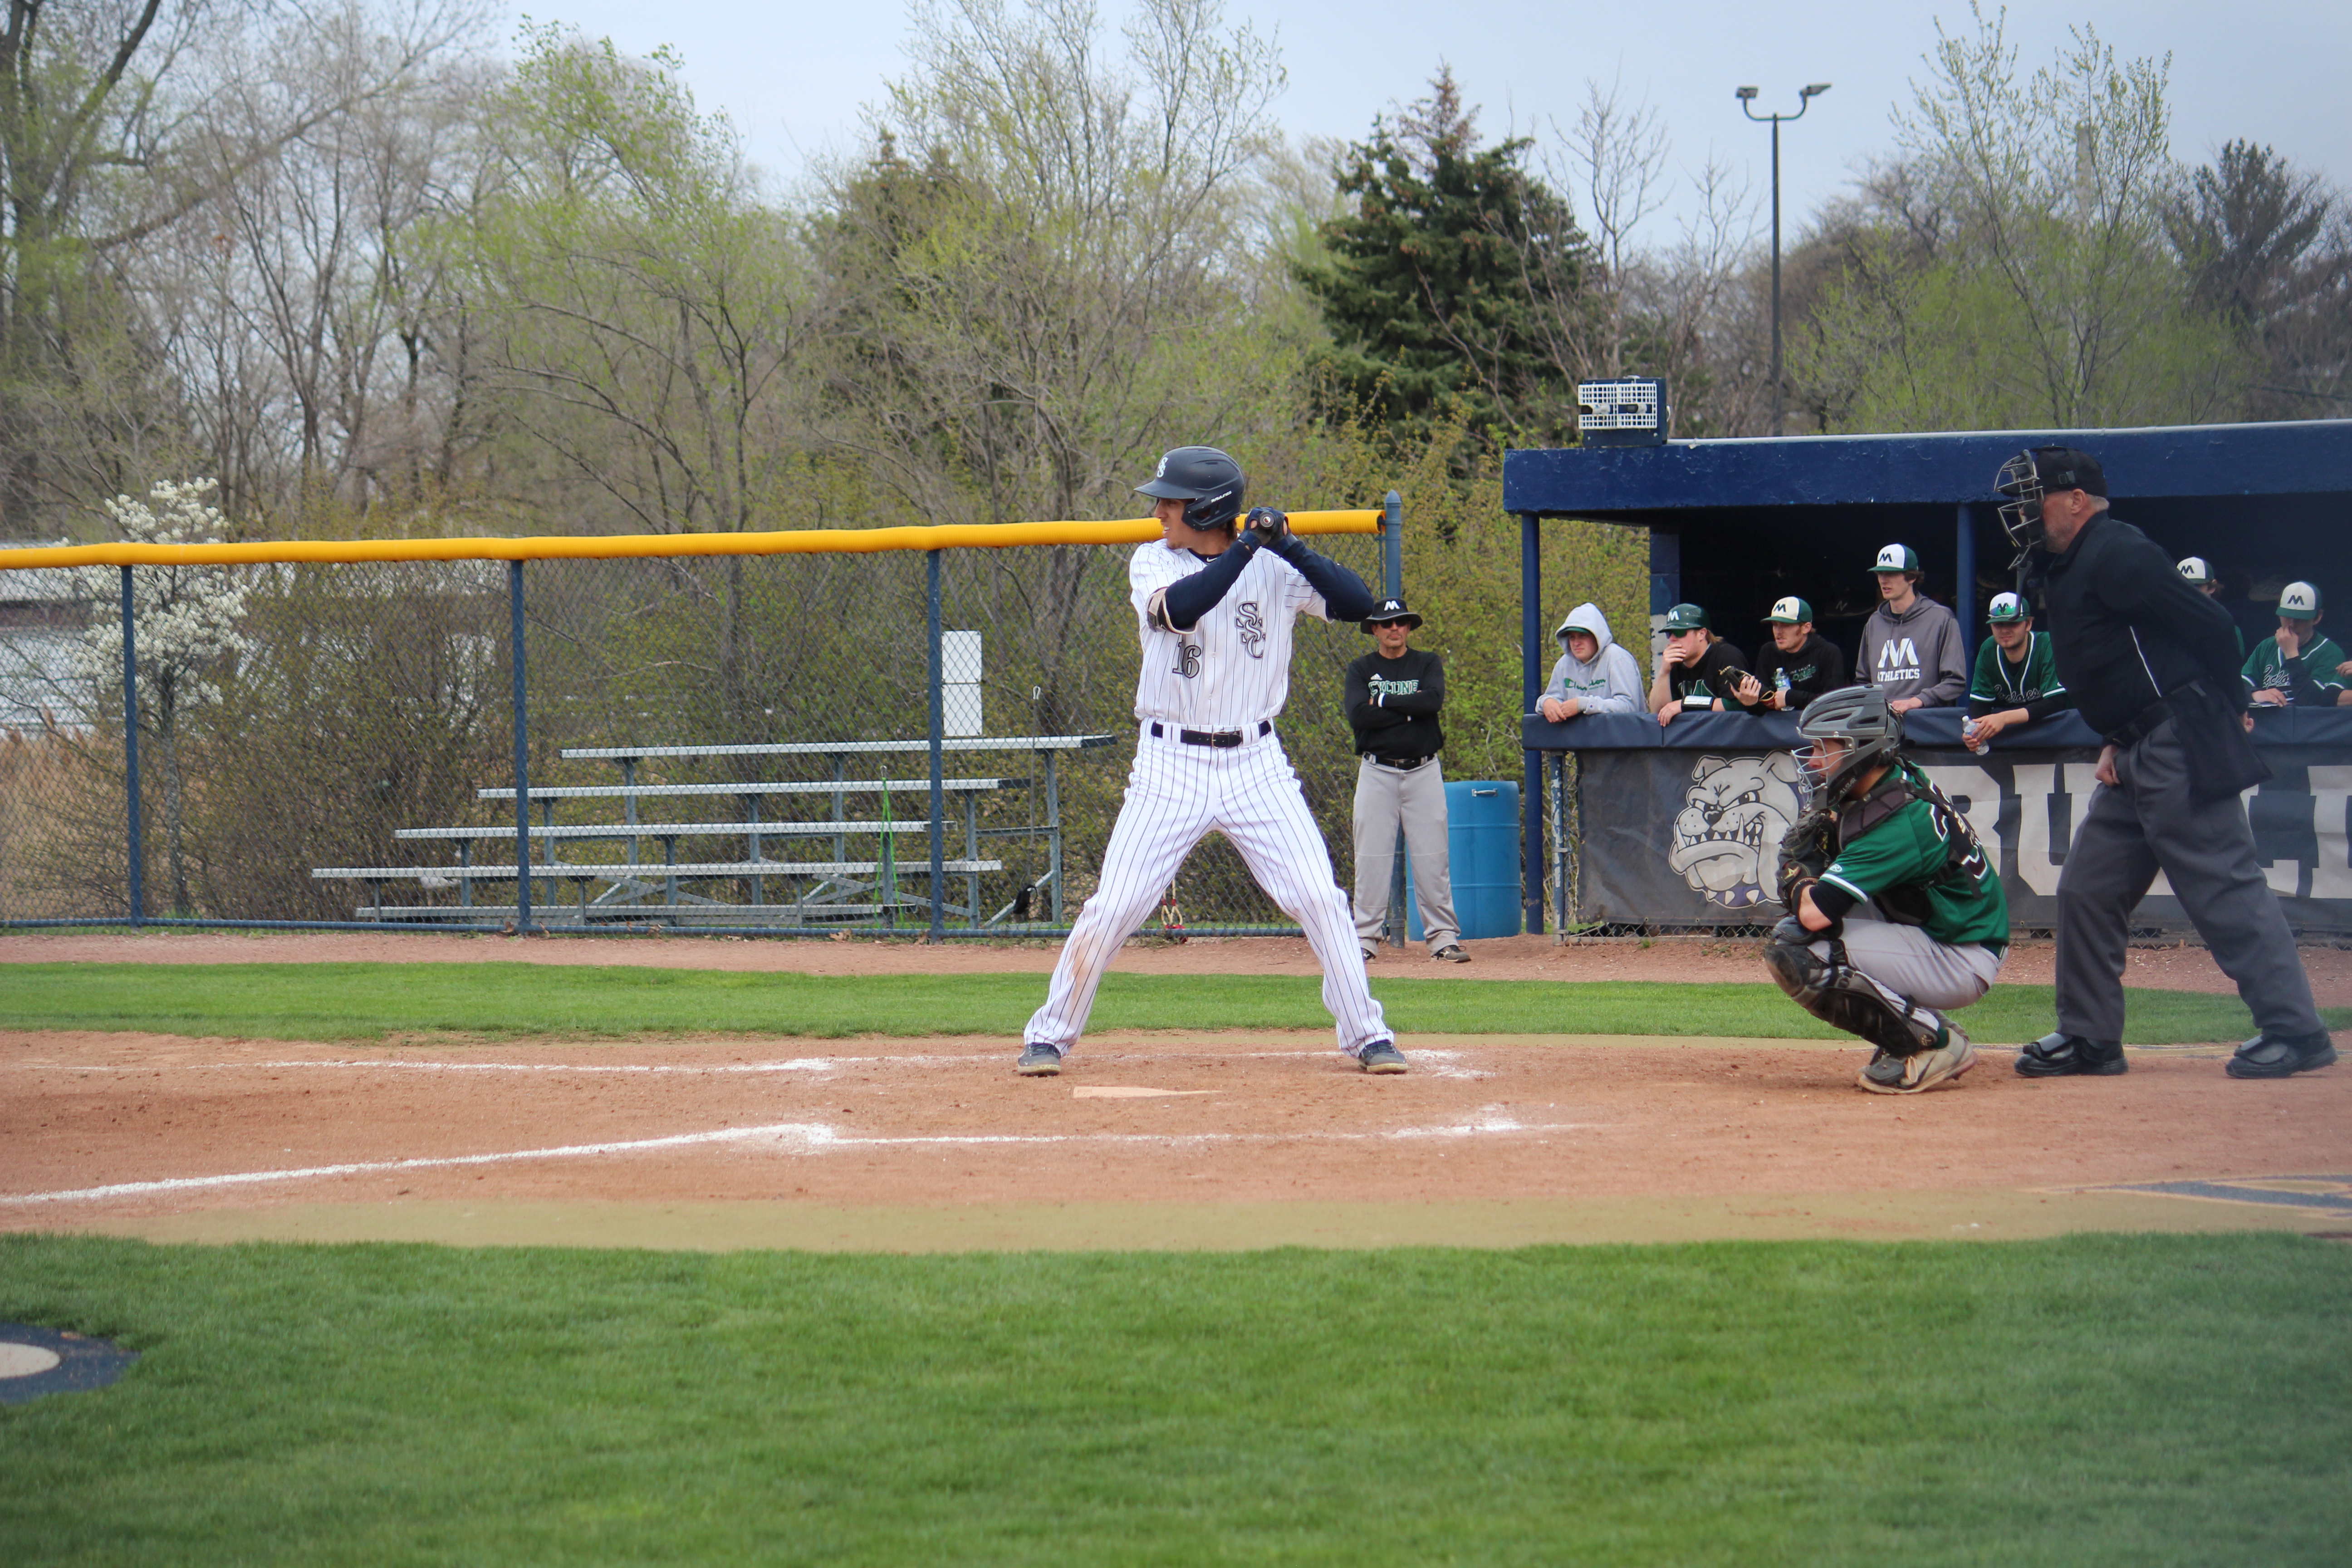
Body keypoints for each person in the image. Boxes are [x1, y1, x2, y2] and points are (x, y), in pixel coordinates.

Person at [1017, 446, 1406, 1077]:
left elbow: (1361, 604)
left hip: (1257, 761)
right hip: (1169, 765)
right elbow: (1183, 609)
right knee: (1115, 904)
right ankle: (1051, 1034)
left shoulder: (1276, 567)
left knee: (1318, 896)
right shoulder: (1153, 560)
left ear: (1206, 508)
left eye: (1171, 500)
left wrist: (1289, 545)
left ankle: (1366, 1033)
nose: (1160, 509)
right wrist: (1247, 549)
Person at [1994, 445, 2335, 1081]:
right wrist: (2117, 737)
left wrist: (2232, 703)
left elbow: (2208, 624)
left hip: (2179, 742)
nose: (2022, 512)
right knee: (2088, 891)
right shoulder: (2068, 564)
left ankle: (2296, 1030)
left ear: (2076, 500)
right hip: (2132, 750)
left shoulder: (2118, 550)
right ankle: (2091, 1037)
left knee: (2223, 886)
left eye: (2033, 497)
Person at [1763, 685, 2006, 1094]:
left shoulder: (1897, 825)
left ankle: (1935, 1044)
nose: (1816, 761)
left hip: (1961, 956)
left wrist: (1797, 874)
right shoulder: (1896, 776)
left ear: (1860, 748)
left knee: (1796, 947)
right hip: (1954, 936)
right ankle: (1922, 1026)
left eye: (1825, 747)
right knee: (1817, 930)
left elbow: (1813, 913)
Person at [1345, 596, 1470, 965]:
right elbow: (1358, 717)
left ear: (1410, 627)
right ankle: (1365, 939)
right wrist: (1406, 710)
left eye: (1401, 622)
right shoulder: (1361, 668)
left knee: (1433, 858)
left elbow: (1431, 702)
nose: (1394, 628)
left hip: (1424, 771)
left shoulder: (1427, 662)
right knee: (1371, 858)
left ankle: (1443, 939)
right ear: (1375, 630)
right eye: (1386, 624)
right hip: (1377, 771)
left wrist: (1380, 702)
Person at [1860, 544, 1967, 714]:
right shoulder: (1874, 622)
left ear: (1911, 577)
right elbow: (1863, 681)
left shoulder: (1940, 618)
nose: (1883, 580)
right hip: (1882, 724)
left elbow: (1955, 682)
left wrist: (1917, 701)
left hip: (1926, 723)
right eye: (1880, 573)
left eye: (1891, 574)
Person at [1963, 591, 2071, 750]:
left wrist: (2003, 718)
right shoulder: (1989, 648)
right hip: (2013, 742)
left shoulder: (2047, 644)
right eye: (1998, 625)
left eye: (2013, 623)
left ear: (2028, 624)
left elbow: (2056, 702)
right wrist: (1973, 730)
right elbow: (1981, 704)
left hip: (2060, 737)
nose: (2005, 631)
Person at [2243, 582, 2348, 709]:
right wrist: (2255, 694)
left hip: (2307, 726)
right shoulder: (2266, 647)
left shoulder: (2329, 652)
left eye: (2300, 618)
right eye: (2287, 617)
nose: (2292, 624)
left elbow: (2313, 701)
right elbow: (2237, 688)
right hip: (2268, 725)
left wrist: (2292, 655)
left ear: (2317, 617)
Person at [1734, 596, 1847, 713]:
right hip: (1777, 728)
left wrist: (1791, 698)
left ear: (1806, 628)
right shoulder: (1768, 652)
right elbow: (1761, 710)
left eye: (1785, 625)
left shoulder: (1828, 652)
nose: (1778, 631)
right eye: (1775, 624)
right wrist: (1751, 703)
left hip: (1815, 727)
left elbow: (1834, 703)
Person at [1648, 603, 1754, 724]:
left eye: (1679, 632)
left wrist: (1686, 704)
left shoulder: (1726, 656)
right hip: (1693, 738)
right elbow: (1659, 711)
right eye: (1669, 633)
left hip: (1726, 737)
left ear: (1702, 634)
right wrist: (1664, 672)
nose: (1672, 638)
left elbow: (1739, 705)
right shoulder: (1674, 664)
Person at [1538, 603, 1644, 721]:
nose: (1576, 643)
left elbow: (1629, 707)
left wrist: (1584, 704)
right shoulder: (1564, 664)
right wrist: (1546, 702)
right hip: (1579, 739)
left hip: (1619, 739)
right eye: (1572, 637)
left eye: (1582, 636)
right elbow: (1552, 698)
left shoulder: (1617, 658)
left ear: (1597, 636)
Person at [2178, 556, 2244, 657]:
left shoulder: (2227, 628)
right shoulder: (2161, 626)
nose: (2189, 592)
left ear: (2212, 587)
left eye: (2196, 586)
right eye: (2183, 586)